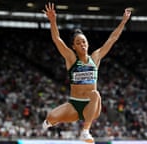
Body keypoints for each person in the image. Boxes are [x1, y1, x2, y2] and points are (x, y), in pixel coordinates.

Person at [42, 2, 131, 143]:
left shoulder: (95, 57)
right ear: (73, 47)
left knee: (95, 94)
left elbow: (112, 39)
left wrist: (123, 22)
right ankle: (51, 123)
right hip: (74, 104)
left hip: (91, 106)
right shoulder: (71, 59)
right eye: (78, 43)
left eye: (84, 42)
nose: (82, 44)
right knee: (50, 118)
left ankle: (85, 131)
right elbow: (57, 40)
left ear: (88, 44)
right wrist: (53, 21)